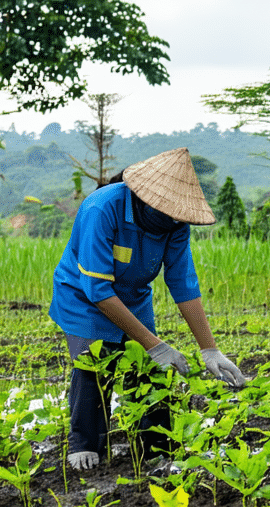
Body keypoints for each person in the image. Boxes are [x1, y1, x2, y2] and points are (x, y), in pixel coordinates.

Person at [50, 147, 246, 471]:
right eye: (167, 212)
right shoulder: (103, 208)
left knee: (151, 369)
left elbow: (183, 283)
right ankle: (85, 443)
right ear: (145, 197)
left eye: (177, 215)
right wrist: (155, 345)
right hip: (83, 296)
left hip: (133, 297)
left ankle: (157, 450)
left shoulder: (176, 226)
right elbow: (97, 289)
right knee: (94, 364)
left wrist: (210, 349)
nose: (173, 220)